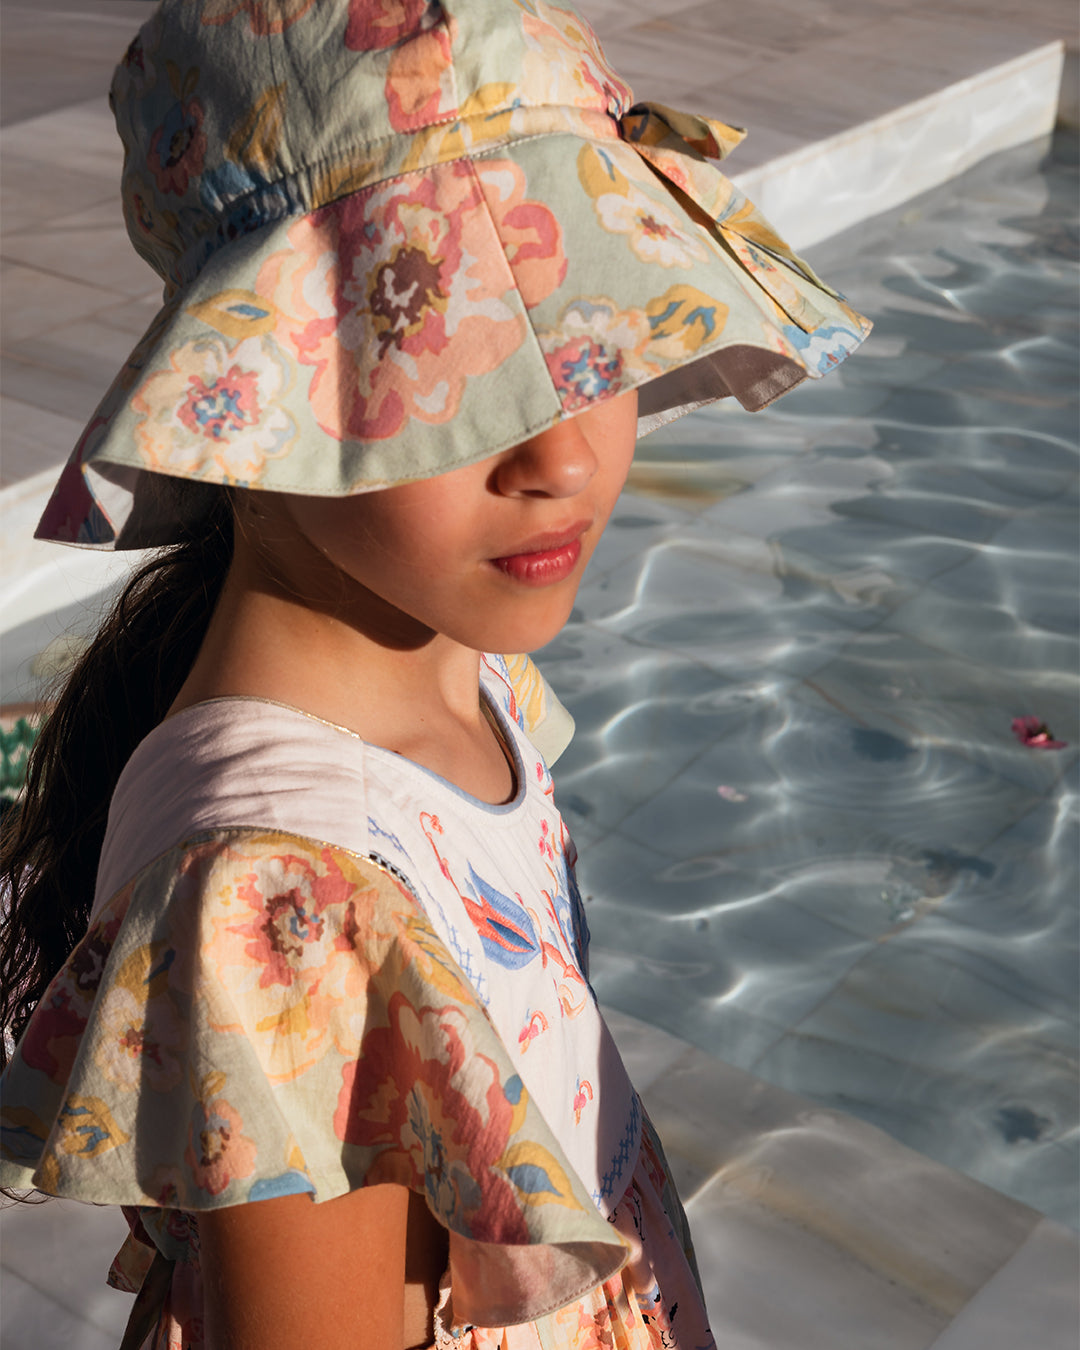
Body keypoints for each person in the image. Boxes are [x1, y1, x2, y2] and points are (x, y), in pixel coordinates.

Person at [0, 1, 870, 1347]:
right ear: (266, 394)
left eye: (586, 332)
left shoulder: (450, 663)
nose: (561, 457)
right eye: (452, 365)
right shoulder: (291, 909)